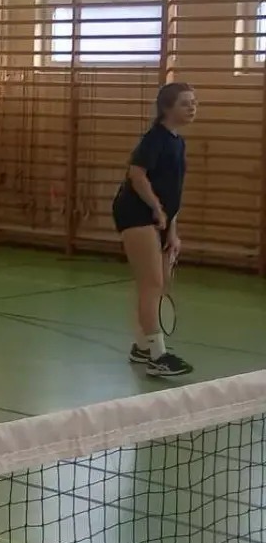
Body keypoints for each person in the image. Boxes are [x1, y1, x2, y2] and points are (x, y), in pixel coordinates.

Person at [111, 83, 196, 378]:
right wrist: (157, 208)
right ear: (167, 108)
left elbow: (173, 192)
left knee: (160, 283)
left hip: (159, 218)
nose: (192, 107)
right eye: (185, 103)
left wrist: (172, 230)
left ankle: (141, 347)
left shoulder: (178, 142)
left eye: (194, 102)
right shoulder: (155, 138)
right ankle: (158, 356)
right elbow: (136, 174)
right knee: (151, 283)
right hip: (136, 213)